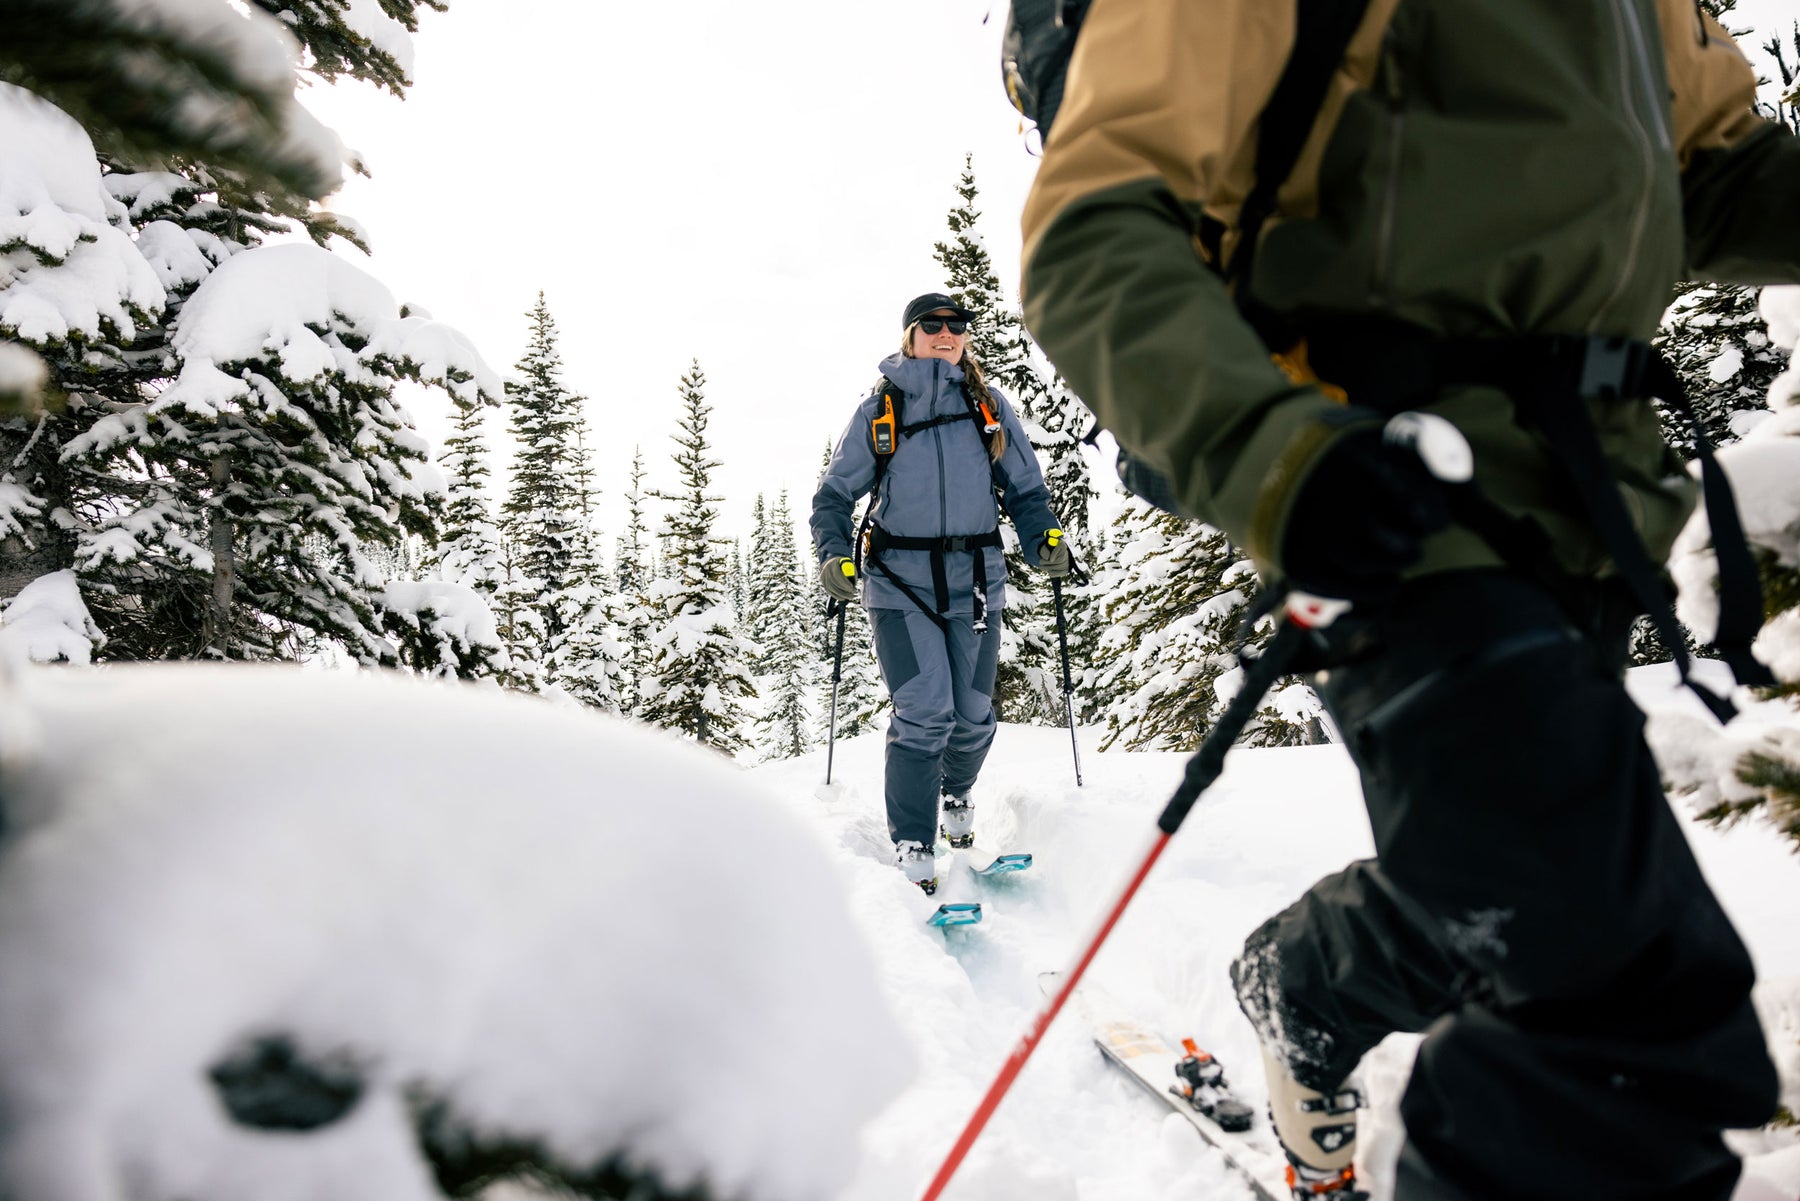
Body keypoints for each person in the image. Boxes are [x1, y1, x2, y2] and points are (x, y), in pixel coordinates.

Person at [1017, 4, 1798, 1200]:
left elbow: (1722, 178)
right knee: (1613, 1009)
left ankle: (1308, 986)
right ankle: (1317, 991)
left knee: (1512, 890)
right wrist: (1279, 458)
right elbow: (1093, 226)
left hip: (1589, 509)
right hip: (1391, 504)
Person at [812, 293, 1067, 895]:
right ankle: (913, 842)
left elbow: (1026, 491)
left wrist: (1044, 538)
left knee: (973, 717)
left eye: (958, 325)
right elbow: (834, 495)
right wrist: (833, 554)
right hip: (899, 582)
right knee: (926, 709)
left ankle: (956, 796)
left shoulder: (987, 406)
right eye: (933, 325)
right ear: (911, 337)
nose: (947, 333)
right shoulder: (882, 408)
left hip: (976, 581)